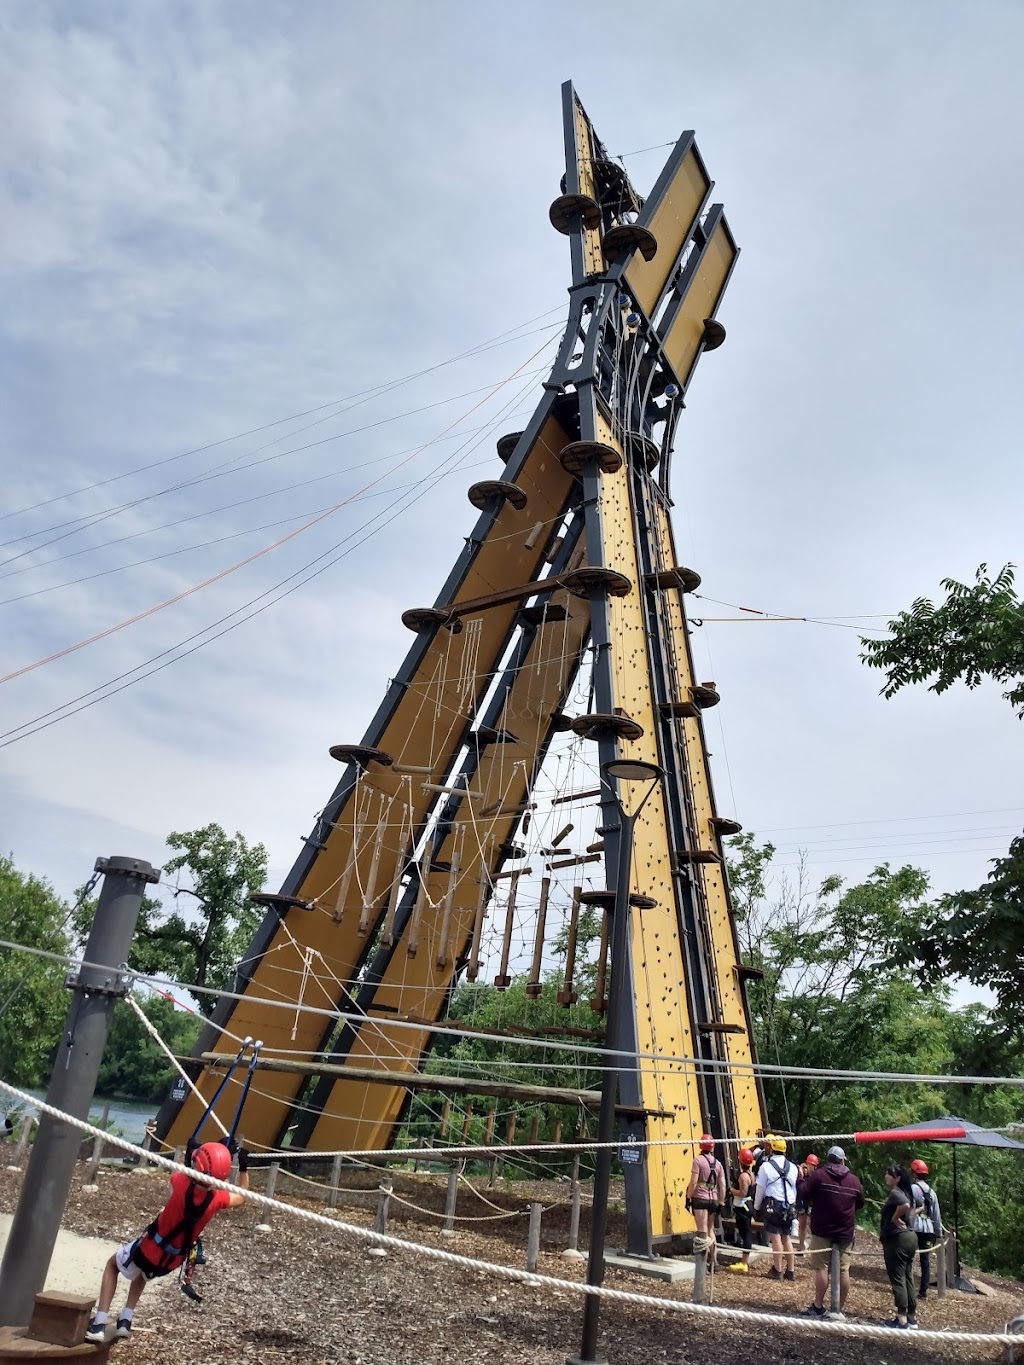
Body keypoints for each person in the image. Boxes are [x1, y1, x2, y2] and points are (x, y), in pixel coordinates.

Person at [84, 1141, 248, 1343]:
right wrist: (243, 1167)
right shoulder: (217, 1200)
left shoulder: (180, 1181)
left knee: (112, 1266)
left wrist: (191, 1155)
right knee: (142, 1273)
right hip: (171, 1261)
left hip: (149, 1248)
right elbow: (242, 1196)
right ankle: (125, 1320)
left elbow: (181, 1168)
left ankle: (99, 1323)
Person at [800, 1144, 865, 1318]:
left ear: (828, 1159)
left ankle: (818, 1305)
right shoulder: (854, 1180)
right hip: (845, 1230)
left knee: (821, 1267)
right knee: (844, 1270)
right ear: (843, 1160)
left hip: (822, 1228)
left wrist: (802, 1178)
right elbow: (860, 1202)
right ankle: (838, 1308)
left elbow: (803, 1193)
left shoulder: (819, 1175)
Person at [880, 1163, 919, 1329]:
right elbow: (916, 1207)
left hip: (898, 1239)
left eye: (889, 1174)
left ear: (897, 1178)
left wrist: (895, 1218)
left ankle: (901, 1318)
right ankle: (911, 1316)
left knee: (898, 1276)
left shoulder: (897, 1193)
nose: (886, 1176)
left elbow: (906, 1206)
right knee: (908, 1275)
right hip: (911, 1237)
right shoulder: (908, 1192)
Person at [753, 1135, 798, 1280]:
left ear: (772, 1148)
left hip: (774, 1204)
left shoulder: (766, 1167)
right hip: (789, 1205)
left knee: (776, 1236)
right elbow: (794, 1189)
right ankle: (790, 1270)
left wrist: (756, 1206)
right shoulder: (793, 1167)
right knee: (786, 1237)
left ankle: (777, 1269)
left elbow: (760, 1188)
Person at [686, 1134, 726, 1266]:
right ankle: (714, 1260)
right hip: (713, 1199)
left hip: (700, 1198)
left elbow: (693, 1182)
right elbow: (723, 1185)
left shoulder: (698, 1161)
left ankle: (702, 1262)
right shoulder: (718, 1164)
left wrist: (688, 1197)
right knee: (710, 1229)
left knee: (702, 1230)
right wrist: (721, 1202)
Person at [910, 1157, 943, 1300]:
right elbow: (936, 1215)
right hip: (928, 1229)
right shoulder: (932, 1192)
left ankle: (908, 1287)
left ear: (914, 1173)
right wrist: (939, 1233)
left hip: (914, 1227)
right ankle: (923, 1291)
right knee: (925, 1261)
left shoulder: (911, 1189)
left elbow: (908, 1208)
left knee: (908, 1258)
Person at [727, 1147, 756, 1273]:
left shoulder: (744, 1176)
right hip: (747, 1205)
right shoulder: (751, 1174)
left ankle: (744, 1262)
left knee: (745, 1234)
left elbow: (743, 1192)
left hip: (743, 1207)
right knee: (745, 1232)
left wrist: (732, 1191)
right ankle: (744, 1260)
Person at [796, 1153, 819, 1251]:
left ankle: (813, 1245)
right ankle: (801, 1245)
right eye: (808, 1165)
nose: (810, 1168)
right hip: (803, 1201)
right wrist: (800, 1173)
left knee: (814, 1225)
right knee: (802, 1224)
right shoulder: (801, 1174)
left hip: (812, 1201)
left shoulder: (816, 1176)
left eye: (812, 1166)